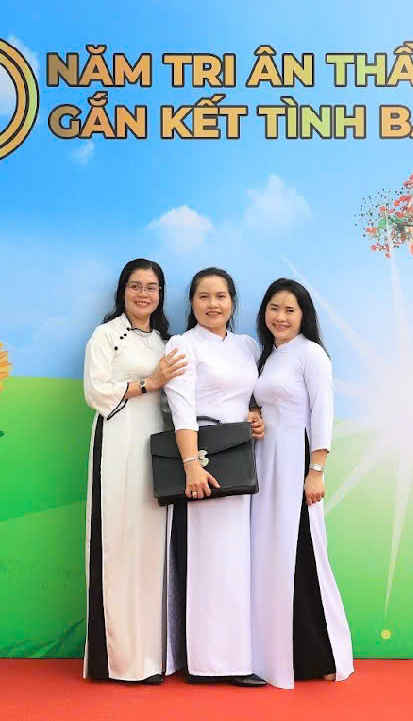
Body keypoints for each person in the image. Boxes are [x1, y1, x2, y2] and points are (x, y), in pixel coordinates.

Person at [82, 259, 188, 684]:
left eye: (152, 287)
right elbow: (96, 391)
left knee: (151, 547)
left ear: (161, 294)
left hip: (156, 448)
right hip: (118, 444)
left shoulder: (165, 341)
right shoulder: (106, 335)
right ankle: (121, 660)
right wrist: (149, 383)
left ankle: (152, 656)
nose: (143, 294)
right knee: (119, 541)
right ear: (122, 290)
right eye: (135, 286)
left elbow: (177, 397)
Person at [161, 267, 267, 687]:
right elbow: (181, 407)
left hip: (240, 456)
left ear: (232, 301)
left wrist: (255, 417)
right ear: (191, 302)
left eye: (220, 296)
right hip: (205, 460)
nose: (212, 304)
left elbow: (250, 398)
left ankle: (235, 656)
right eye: (203, 296)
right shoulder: (182, 345)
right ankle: (207, 663)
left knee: (237, 560)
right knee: (208, 560)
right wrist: (191, 464)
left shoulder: (246, 346)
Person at [249, 277, 354, 689]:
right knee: (274, 557)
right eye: (274, 308)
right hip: (267, 466)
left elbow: (322, 411)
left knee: (302, 554)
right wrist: (254, 417)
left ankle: (320, 657)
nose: (281, 316)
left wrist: (316, 471)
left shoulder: (311, 354)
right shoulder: (269, 356)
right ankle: (281, 653)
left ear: (304, 315)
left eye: (290, 310)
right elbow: (264, 406)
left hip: (297, 465)